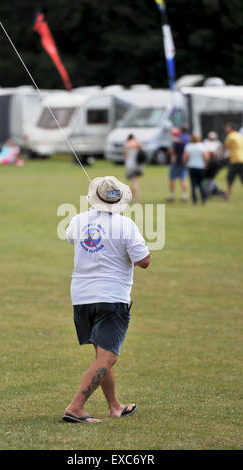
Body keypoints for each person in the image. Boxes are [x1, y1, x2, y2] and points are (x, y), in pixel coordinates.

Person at [63, 176, 150, 423]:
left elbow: (71, 237)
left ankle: (115, 406)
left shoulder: (78, 220)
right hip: (111, 298)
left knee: (102, 355)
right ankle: (75, 407)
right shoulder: (126, 225)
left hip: (81, 298)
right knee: (108, 357)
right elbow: (144, 261)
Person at [223, 123, 243, 201]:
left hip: (235, 160)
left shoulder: (230, 136)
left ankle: (228, 195)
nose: (226, 130)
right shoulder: (240, 136)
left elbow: (226, 147)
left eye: (228, 128)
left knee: (230, 178)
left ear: (231, 129)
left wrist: (223, 155)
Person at [166, 125, 190, 202]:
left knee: (172, 179)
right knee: (183, 179)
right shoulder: (188, 138)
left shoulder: (177, 139)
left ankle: (171, 195)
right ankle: (185, 195)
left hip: (176, 162)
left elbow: (172, 151)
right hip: (185, 162)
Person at [183, 133, 208, 205]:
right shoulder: (202, 146)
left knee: (193, 185)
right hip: (201, 167)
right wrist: (205, 165)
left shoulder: (189, 146)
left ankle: (194, 201)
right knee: (202, 183)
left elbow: (185, 157)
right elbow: (206, 157)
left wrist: (185, 164)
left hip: (192, 167)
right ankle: (204, 199)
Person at [203, 131, 226, 198]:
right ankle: (211, 190)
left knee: (209, 178)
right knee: (206, 178)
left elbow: (220, 152)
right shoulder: (205, 142)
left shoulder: (217, 143)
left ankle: (210, 191)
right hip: (207, 162)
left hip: (214, 162)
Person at [123, 134, 144, 202]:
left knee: (134, 182)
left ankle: (137, 198)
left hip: (130, 165)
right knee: (134, 181)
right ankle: (132, 198)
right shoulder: (137, 143)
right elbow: (142, 152)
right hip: (137, 165)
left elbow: (125, 155)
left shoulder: (127, 144)